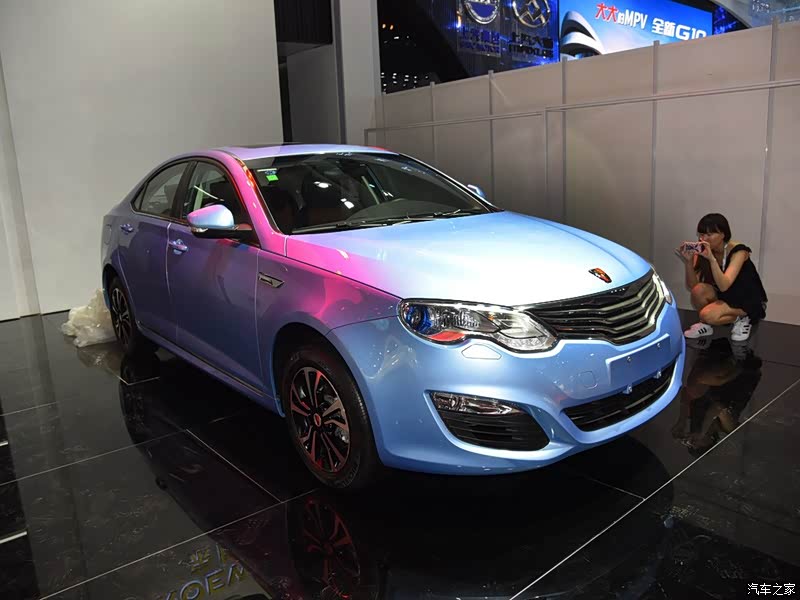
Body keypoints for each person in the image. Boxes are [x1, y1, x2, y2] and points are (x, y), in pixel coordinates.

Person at [676, 213, 767, 342]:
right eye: (702, 234)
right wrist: (689, 262)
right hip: (725, 296)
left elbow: (724, 285)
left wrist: (711, 259)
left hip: (747, 299)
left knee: (706, 315)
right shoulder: (705, 251)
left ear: (723, 234)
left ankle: (744, 317)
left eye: (709, 234)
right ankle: (711, 324)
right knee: (698, 290)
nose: (704, 239)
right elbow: (693, 286)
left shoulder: (739, 251)